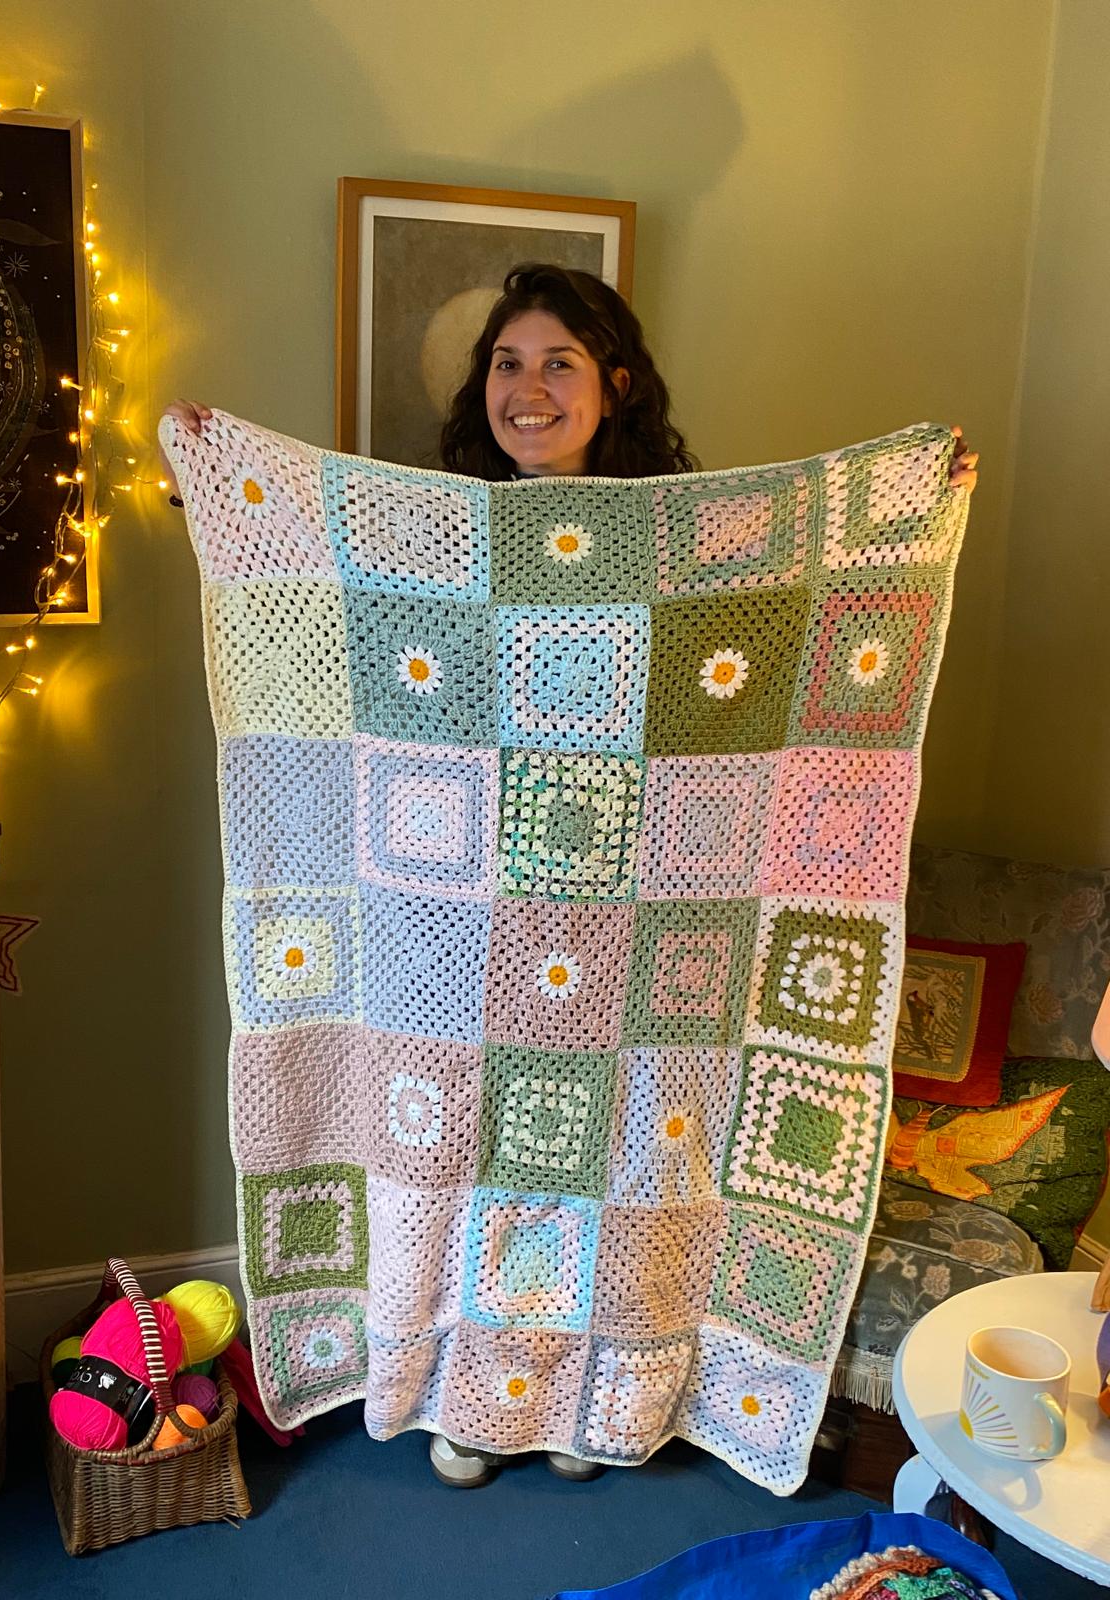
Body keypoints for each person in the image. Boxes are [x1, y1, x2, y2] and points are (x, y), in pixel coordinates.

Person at [161, 263, 979, 1489]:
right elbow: (312, 589)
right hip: (459, 918)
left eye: (558, 362)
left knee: (614, 1164)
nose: (527, 387)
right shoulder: (433, 537)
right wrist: (220, 482)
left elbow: (809, 613)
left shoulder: (691, 544)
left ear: (617, 386)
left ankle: (599, 1397)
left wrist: (913, 496)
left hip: (644, 919)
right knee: (467, 1151)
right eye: (507, 363)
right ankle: (464, 1398)